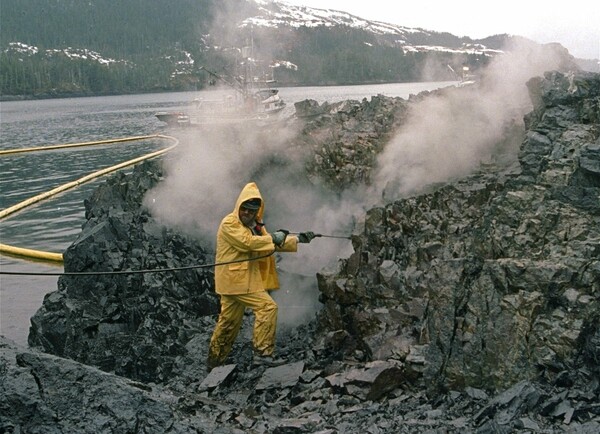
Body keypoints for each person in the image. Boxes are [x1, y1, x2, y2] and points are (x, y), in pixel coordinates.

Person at [207, 182, 315, 369]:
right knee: (267, 308)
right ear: (239, 206)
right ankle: (263, 353)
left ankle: (214, 362)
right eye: (244, 209)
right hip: (238, 282)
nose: (247, 214)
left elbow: (267, 243)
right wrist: (274, 237)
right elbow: (249, 243)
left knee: (227, 324)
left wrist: (298, 239)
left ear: (257, 211)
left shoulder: (254, 226)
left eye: (251, 211)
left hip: (235, 282)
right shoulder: (230, 223)